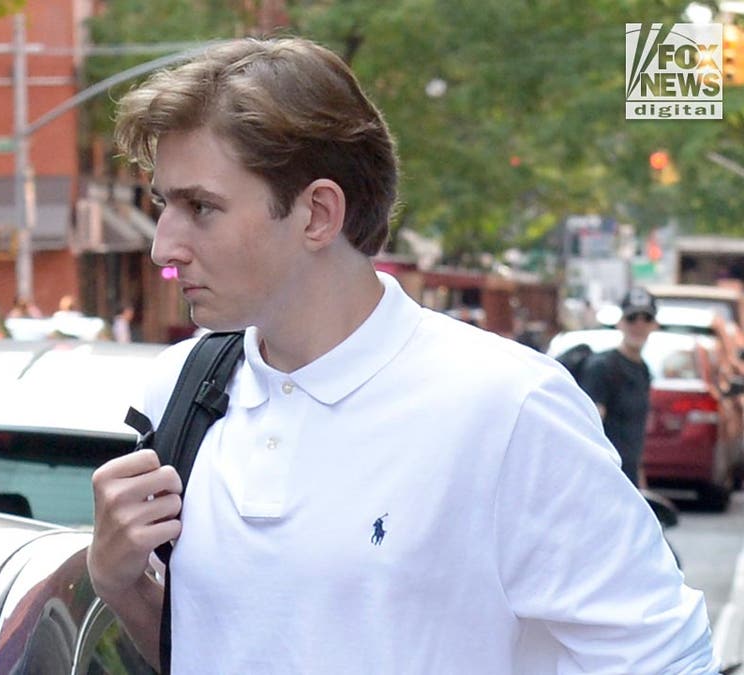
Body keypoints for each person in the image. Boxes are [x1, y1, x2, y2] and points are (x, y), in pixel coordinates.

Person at [87, 36, 716, 673]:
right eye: (165, 205)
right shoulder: (182, 387)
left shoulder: (506, 406)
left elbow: (664, 657)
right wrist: (120, 583)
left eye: (201, 207)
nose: (163, 249)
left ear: (318, 214)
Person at [577, 287, 659, 489]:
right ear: (620, 323)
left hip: (628, 481)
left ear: (654, 325)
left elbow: (635, 438)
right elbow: (589, 430)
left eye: (646, 318)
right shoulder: (601, 367)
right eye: (632, 318)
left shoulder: (643, 371)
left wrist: (641, 489)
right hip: (603, 482)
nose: (639, 325)